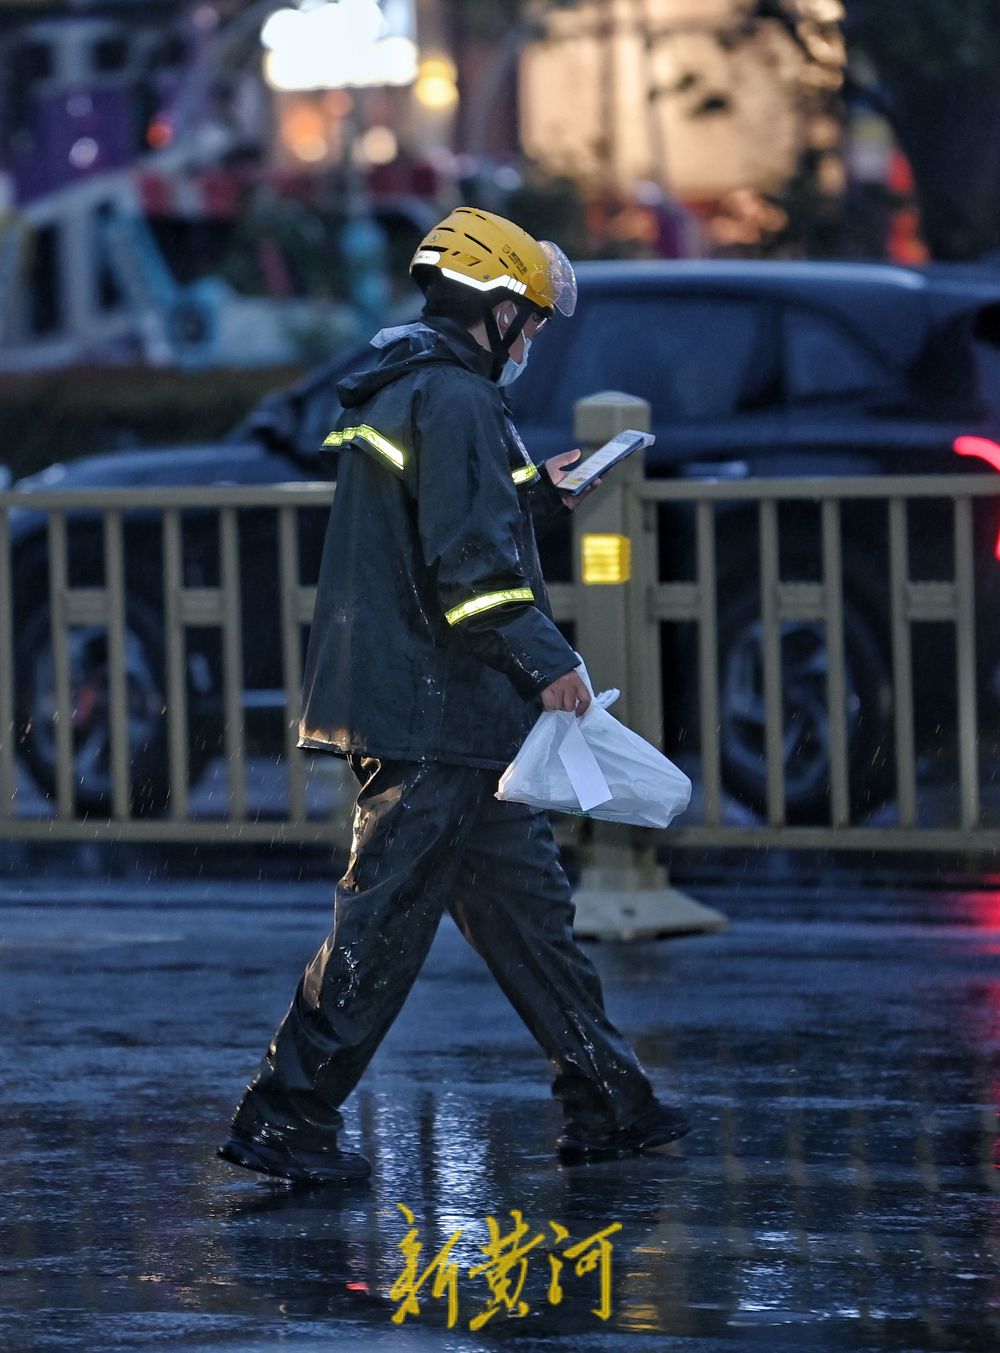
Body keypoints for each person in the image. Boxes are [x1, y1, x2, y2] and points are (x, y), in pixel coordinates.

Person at [217, 207, 689, 1184]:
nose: (535, 338)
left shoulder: (412, 385)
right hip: (434, 714)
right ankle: (285, 1117)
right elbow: (470, 573)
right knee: (381, 925)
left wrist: (541, 494)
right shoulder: (458, 399)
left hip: (454, 714)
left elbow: (448, 526)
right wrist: (549, 661)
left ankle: (610, 1102)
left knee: (530, 920)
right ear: (497, 310)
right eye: (534, 319)